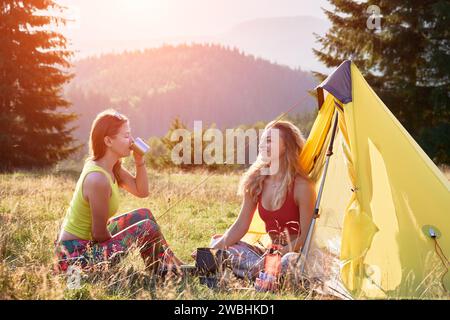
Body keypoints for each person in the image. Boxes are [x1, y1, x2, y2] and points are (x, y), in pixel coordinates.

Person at [55, 109, 183, 273]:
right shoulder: (98, 179)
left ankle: (173, 265)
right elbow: (99, 234)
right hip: (73, 259)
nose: (132, 141)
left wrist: (139, 161)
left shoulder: (111, 167)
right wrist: (125, 240)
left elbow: (141, 191)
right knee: (145, 227)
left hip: (89, 245)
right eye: (126, 136)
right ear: (108, 141)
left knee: (143, 215)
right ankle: (165, 270)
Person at [208, 120, 316, 279]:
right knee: (220, 243)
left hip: (292, 255)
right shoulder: (256, 180)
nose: (262, 145)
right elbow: (240, 225)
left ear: (286, 146)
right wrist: (210, 252)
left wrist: (274, 257)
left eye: (270, 140)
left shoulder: (302, 186)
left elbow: (305, 237)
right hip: (267, 252)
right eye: (262, 140)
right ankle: (260, 274)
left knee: (287, 261)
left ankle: (256, 272)